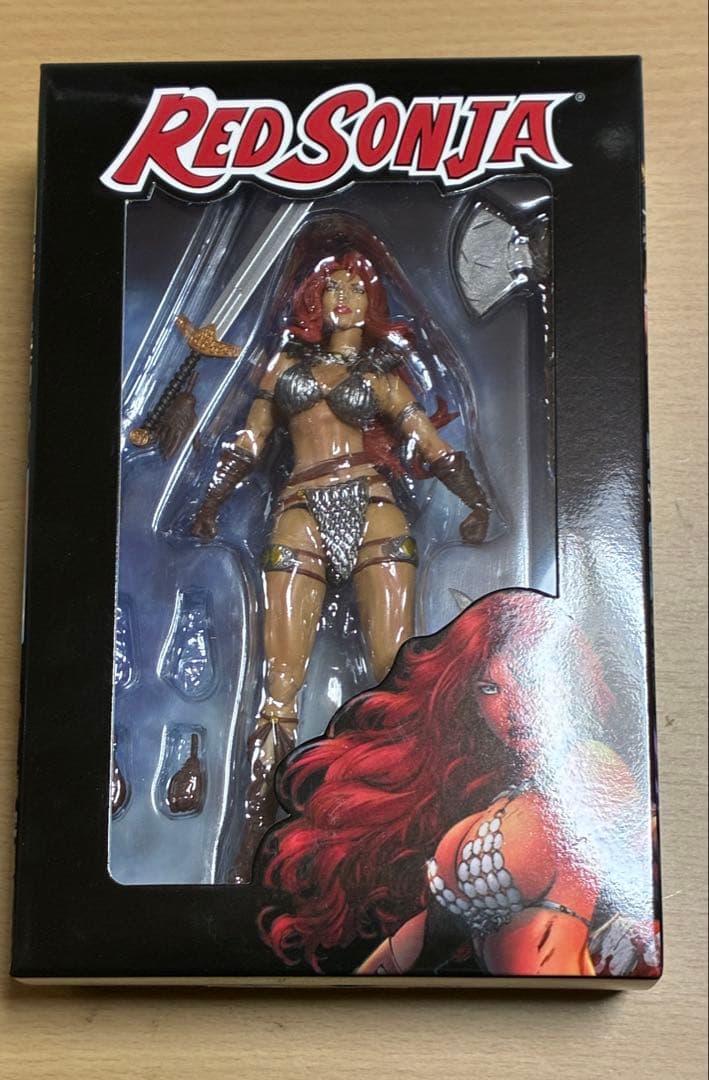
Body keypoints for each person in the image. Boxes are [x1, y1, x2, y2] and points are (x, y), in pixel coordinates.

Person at [191, 249, 492, 880]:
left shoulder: (382, 375)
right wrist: (212, 500)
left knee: (395, 675)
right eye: (333, 287)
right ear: (315, 301)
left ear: (370, 303)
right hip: (300, 507)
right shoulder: (284, 366)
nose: (345, 297)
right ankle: (257, 829)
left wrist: (476, 501)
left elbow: (430, 443)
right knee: (280, 681)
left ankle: (404, 827)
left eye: (357, 288)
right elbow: (250, 440)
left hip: (374, 507)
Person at [260, 590, 660, 977]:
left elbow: (629, 862)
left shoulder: (590, 767)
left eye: (531, 679)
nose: (514, 709)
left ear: (568, 679)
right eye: (490, 688)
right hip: (486, 1007)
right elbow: (425, 935)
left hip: (555, 1006)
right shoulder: (506, 794)